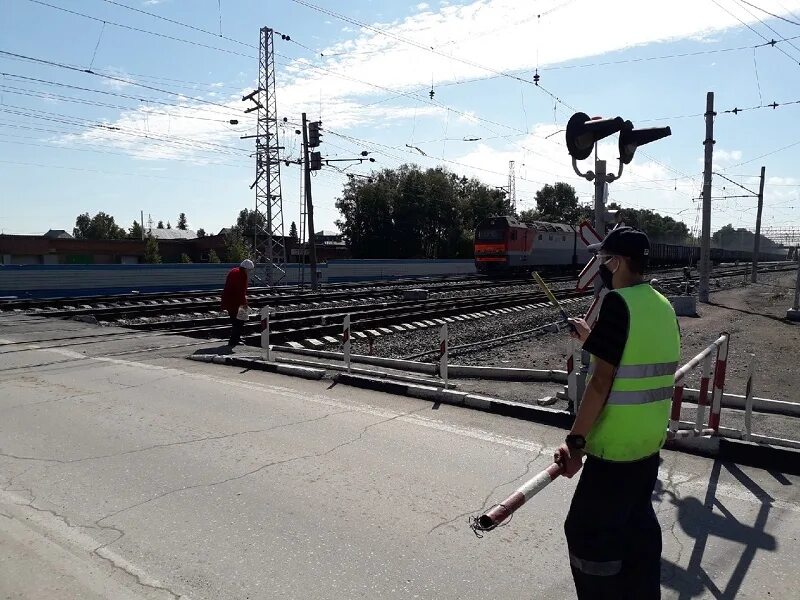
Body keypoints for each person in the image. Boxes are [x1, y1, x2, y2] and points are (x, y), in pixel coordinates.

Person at [556, 227, 681, 600]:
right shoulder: (663, 305)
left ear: (621, 262)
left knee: (586, 536)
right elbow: (636, 358)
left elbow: (601, 382)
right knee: (636, 531)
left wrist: (575, 443)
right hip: (647, 449)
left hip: (613, 451)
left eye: (606, 259)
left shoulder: (617, 303)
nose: (604, 267)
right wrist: (592, 339)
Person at [221, 259, 254, 348]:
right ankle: (233, 341)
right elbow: (240, 291)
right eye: (249, 270)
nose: (249, 272)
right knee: (239, 322)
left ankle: (237, 338)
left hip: (229, 301)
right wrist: (245, 304)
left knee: (235, 322)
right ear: (246, 268)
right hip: (237, 302)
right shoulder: (242, 275)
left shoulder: (233, 271)